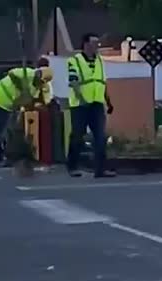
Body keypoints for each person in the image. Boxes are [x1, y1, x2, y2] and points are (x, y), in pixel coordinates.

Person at [67, 32, 115, 178]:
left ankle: (100, 170)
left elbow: (102, 82)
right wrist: (81, 98)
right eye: (94, 44)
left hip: (97, 104)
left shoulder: (100, 61)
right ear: (86, 44)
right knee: (78, 135)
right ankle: (72, 166)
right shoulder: (75, 60)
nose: (97, 46)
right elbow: (74, 81)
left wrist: (108, 101)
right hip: (80, 105)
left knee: (100, 137)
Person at [0, 67, 53, 167]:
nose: (38, 81)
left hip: (7, 106)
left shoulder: (35, 89)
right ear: (38, 73)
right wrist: (22, 86)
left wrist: (28, 102)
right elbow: (11, 73)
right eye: (39, 78)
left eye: (41, 82)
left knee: (7, 133)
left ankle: (6, 157)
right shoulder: (27, 72)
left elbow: (27, 101)